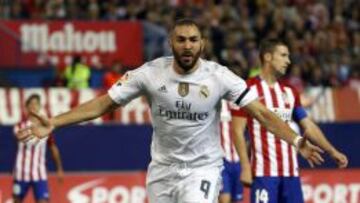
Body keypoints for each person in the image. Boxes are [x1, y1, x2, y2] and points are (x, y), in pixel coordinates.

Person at [17, 19, 324, 203]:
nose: (187, 46)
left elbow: (262, 113)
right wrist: (54, 122)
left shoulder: (219, 76)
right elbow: (103, 103)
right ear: (171, 43)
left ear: (202, 43)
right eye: (181, 40)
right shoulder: (150, 74)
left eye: (193, 40)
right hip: (162, 171)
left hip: (203, 169)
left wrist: (297, 141)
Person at [231, 38, 348, 203]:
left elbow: (308, 125)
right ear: (268, 57)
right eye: (284, 55)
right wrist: (244, 166)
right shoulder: (247, 89)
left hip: (291, 175)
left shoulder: (289, 91)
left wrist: (332, 151)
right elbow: (236, 130)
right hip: (264, 174)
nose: (288, 61)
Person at [13, 94, 64, 203]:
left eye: (36, 104)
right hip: (22, 172)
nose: (34, 107)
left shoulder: (45, 128)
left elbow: (53, 148)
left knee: (43, 201)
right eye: (31, 104)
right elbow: (19, 138)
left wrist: (59, 168)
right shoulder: (19, 126)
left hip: (39, 173)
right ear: (26, 107)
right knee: (16, 200)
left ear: (40, 106)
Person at [219, 100, 251, 203]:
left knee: (238, 200)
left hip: (238, 161)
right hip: (221, 160)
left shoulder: (240, 102)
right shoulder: (216, 102)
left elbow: (247, 133)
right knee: (225, 199)